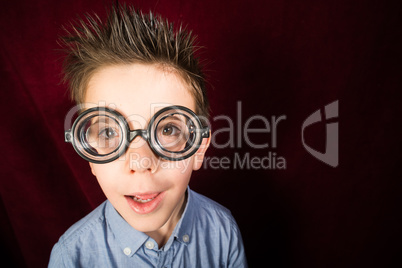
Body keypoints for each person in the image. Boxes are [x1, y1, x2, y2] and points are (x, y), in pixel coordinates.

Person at [49, 3, 247, 267]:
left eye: (167, 130)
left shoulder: (223, 232)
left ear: (199, 148)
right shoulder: (71, 257)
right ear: (90, 154)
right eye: (109, 131)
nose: (141, 162)